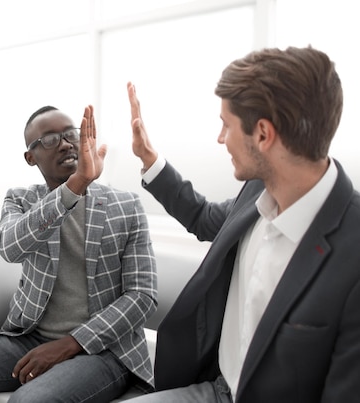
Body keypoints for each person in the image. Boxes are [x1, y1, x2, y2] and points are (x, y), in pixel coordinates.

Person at [124, 46, 360, 403]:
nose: (221, 138)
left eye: (226, 125)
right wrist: (149, 160)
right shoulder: (256, 190)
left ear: (263, 135)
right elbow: (204, 218)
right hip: (216, 390)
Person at [0, 105, 156, 402]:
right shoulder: (21, 199)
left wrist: (71, 343)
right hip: (28, 339)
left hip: (105, 350)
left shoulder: (125, 205)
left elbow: (142, 296)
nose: (67, 143)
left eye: (71, 134)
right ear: (30, 157)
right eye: (49, 140)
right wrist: (76, 185)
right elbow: (9, 248)